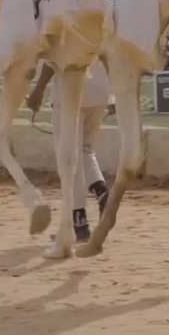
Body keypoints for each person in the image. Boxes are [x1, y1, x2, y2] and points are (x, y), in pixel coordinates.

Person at [26, 59, 113, 243]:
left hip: (70, 93)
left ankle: (79, 223)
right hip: (100, 89)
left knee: (68, 158)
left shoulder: (62, 27)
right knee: (85, 150)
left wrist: (39, 88)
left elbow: (52, 58)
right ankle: (102, 192)